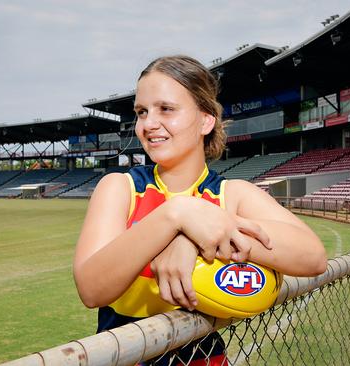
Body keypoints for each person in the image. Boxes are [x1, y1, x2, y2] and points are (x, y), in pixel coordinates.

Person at [73, 55, 327, 365]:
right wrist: (176, 215)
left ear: (206, 121)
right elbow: (91, 289)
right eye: (141, 112)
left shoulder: (231, 194)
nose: (148, 124)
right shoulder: (120, 188)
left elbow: (313, 256)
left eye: (166, 109)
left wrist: (195, 237)